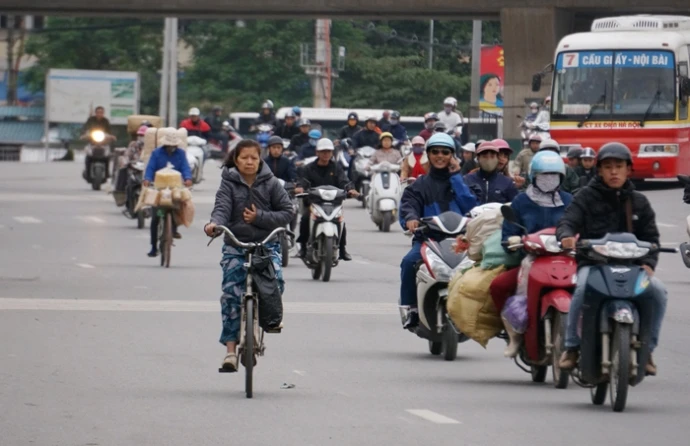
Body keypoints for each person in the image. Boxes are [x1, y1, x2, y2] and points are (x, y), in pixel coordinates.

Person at [557, 142, 665, 376]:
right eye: (608, 167)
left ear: (629, 170)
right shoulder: (585, 196)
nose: (614, 172)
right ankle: (572, 346)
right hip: (594, 265)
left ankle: (648, 350)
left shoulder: (639, 202)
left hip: (633, 268)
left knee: (658, 292)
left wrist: (649, 264)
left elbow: (652, 239)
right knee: (580, 289)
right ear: (599, 170)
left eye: (619, 166)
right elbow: (568, 221)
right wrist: (566, 236)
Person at [204, 139, 294, 372]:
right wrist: (214, 224)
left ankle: (268, 321)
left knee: (276, 282)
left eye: (254, 157)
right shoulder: (229, 183)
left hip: (267, 244)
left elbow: (287, 211)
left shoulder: (272, 183)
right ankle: (231, 352)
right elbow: (221, 208)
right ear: (236, 159)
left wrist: (260, 218)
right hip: (235, 244)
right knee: (231, 295)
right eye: (244, 158)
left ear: (260, 159)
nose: (249, 162)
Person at [492, 151, 573, 357]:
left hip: (566, 261)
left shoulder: (569, 200)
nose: (548, 180)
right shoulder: (521, 202)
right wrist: (512, 241)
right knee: (498, 286)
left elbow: (580, 227)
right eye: (543, 175)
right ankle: (513, 332)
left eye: (553, 176)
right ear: (533, 176)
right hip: (531, 260)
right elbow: (509, 232)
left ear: (561, 177)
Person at [398, 133, 478, 328]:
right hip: (428, 240)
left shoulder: (461, 182)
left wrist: (456, 176)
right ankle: (411, 309)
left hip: (460, 242)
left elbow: (471, 204)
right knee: (409, 262)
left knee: (484, 268)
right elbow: (408, 205)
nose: (440, 156)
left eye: (445, 152)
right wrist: (411, 219)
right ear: (428, 155)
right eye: (435, 152)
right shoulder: (420, 184)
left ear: (453, 155)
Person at [294, 138, 359, 260]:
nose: (326, 154)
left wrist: (351, 189)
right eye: (323, 151)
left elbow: (344, 181)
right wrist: (300, 188)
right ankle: (302, 247)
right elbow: (302, 181)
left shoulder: (336, 168)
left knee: (340, 221)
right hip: (314, 203)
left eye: (328, 151)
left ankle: (342, 249)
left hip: (333, 203)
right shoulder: (308, 168)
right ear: (317, 152)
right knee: (305, 218)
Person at [143, 128, 193, 257]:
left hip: (174, 186)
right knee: (156, 217)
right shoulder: (156, 153)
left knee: (179, 206)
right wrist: (147, 179)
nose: (171, 148)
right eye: (169, 146)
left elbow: (185, 167)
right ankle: (153, 247)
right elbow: (150, 167)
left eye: (173, 145)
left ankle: (174, 228)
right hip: (159, 186)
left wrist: (187, 178)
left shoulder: (181, 154)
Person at [82, 106, 113, 180]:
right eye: (98, 112)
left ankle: (107, 173)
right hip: (92, 142)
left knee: (107, 156)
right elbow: (86, 128)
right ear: (95, 113)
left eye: (101, 112)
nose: (99, 114)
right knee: (88, 156)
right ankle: (87, 172)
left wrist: (111, 136)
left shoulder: (106, 121)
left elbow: (109, 131)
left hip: (103, 143)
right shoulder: (91, 120)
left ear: (103, 113)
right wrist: (85, 134)